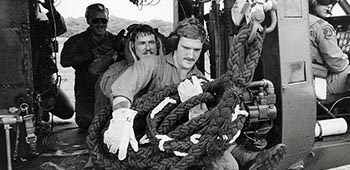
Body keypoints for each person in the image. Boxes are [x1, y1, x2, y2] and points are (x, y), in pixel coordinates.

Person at [103, 17, 285, 170]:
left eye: (196, 50)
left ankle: (246, 157)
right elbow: (122, 89)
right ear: (175, 45)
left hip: (187, 139)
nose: (191, 55)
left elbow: (205, 123)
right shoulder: (152, 64)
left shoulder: (198, 78)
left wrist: (196, 102)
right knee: (227, 165)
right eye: (185, 48)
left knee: (223, 144)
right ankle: (242, 157)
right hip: (149, 136)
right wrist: (120, 117)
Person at [60, 3, 124, 130]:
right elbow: (65, 61)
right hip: (85, 90)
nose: (100, 24)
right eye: (95, 21)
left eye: (103, 20)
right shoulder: (76, 41)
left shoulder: (114, 40)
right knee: (87, 122)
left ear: (108, 20)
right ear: (88, 20)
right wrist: (91, 54)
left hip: (108, 90)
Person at [29, 0, 74, 122]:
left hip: (45, 81)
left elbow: (60, 27)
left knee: (67, 111)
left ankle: (43, 108)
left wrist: (51, 9)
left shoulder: (42, 26)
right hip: (27, 80)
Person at [309, 0, 350, 99]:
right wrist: (344, 57)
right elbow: (336, 64)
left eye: (333, 2)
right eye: (325, 1)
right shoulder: (321, 27)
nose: (330, 5)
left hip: (303, 79)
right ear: (312, 2)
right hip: (317, 82)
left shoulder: (297, 21)